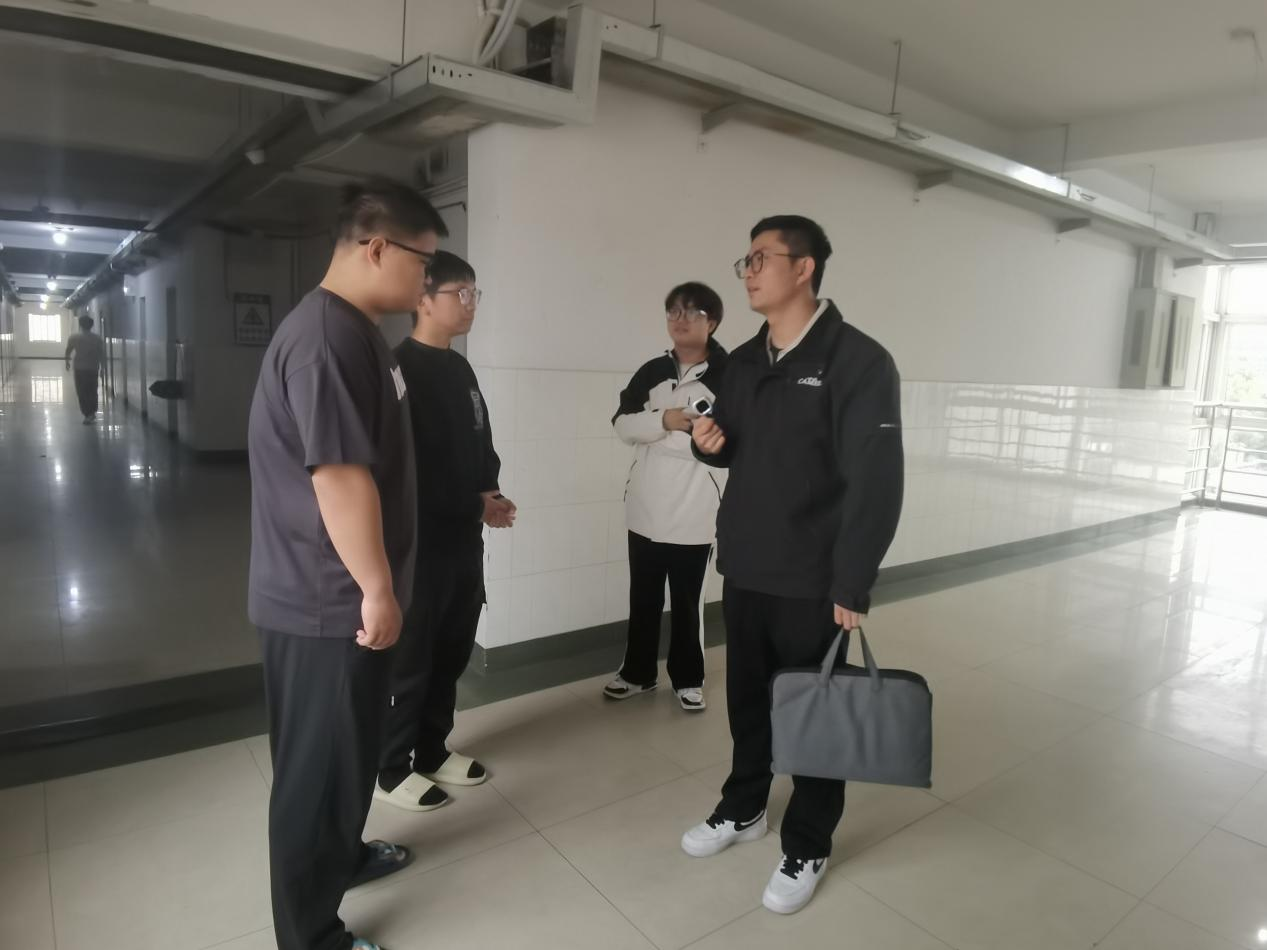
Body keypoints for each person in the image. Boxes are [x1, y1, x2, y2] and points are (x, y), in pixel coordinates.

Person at [682, 215, 904, 916]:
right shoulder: (745, 362)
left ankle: (808, 839)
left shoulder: (858, 361)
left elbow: (876, 480)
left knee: (816, 714)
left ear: (803, 268)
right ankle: (744, 805)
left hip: (814, 576)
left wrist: (852, 580)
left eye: (760, 259)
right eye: (744, 260)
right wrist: (712, 443)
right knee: (748, 701)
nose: (747, 272)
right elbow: (734, 444)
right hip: (747, 565)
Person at [247, 177, 448, 950]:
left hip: (337, 594)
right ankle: (309, 936)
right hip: (327, 598)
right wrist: (376, 588)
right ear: (376, 249)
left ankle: (343, 854)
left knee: (348, 751)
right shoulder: (326, 338)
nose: (425, 282)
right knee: (318, 770)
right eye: (421, 263)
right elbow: (337, 474)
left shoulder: (356, 329)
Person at [376, 250, 515, 812]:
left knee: (454, 647)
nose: (471, 303)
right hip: (419, 545)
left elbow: (481, 441)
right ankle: (391, 767)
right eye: (461, 293)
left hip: (463, 539)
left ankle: (432, 750)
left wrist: (489, 492)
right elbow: (406, 471)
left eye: (474, 293)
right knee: (414, 657)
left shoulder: (461, 369)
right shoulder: (398, 371)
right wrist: (471, 503)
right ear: (423, 299)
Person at [604, 282, 728, 712]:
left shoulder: (729, 374)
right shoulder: (651, 370)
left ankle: (688, 678)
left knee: (688, 604)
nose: (680, 319)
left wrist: (656, 432)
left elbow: (723, 443)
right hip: (644, 507)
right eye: (673, 311)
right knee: (643, 598)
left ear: (712, 322)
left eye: (692, 312)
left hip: (695, 511)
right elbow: (622, 425)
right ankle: (637, 673)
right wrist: (667, 420)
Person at [64, 315, 105, 424]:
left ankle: (87, 414)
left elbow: (68, 350)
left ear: (80, 325)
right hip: (93, 368)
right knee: (92, 390)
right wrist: (103, 368)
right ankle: (91, 413)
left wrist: (67, 361)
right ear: (91, 325)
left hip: (79, 368)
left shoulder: (74, 337)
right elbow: (101, 354)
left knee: (81, 392)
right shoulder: (97, 338)